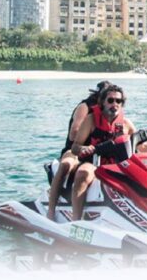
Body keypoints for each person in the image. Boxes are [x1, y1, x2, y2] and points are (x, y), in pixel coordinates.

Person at [70, 85, 147, 221]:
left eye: (118, 101)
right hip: (95, 162)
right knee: (82, 174)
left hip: (120, 164)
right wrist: (84, 149)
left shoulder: (126, 124)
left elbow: (140, 145)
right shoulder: (90, 120)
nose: (114, 104)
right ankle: (76, 220)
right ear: (103, 102)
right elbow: (75, 147)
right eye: (110, 100)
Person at [47, 81, 110, 220]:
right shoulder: (85, 107)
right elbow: (73, 133)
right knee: (65, 165)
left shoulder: (109, 111)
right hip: (75, 149)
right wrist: (89, 136)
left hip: (95, 152)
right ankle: (50, 210)